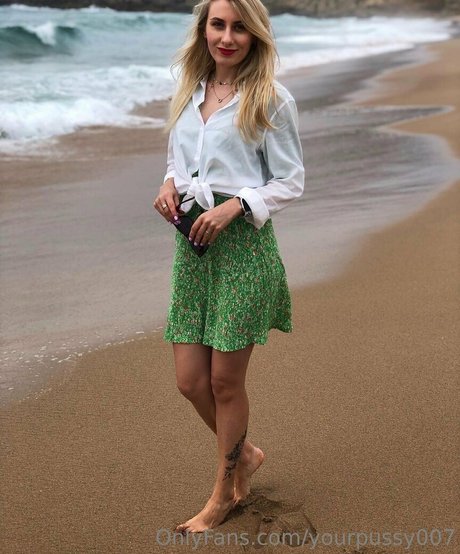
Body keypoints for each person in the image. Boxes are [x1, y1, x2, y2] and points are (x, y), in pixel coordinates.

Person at [153, 0, 304, 534]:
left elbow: (290, 180)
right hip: (194, 248)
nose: (227, 37)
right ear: (203, 29)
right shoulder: (188, 90)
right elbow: (180, 159)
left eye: (240, 27)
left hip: (243, 249)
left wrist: (235, 205)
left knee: (223, 381)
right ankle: (246, 455)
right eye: (218, 24)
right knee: (190, 381)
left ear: (255, 35)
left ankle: (223, 494)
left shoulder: (271, 98)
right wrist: (169, 184)